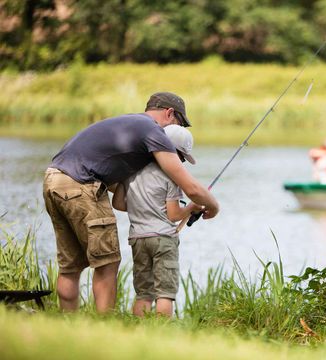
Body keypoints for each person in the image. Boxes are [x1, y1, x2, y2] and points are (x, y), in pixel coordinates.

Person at [42, 92, 219, 313]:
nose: (177, 130)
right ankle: (105, 329)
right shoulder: (154, 131)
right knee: (107, 263)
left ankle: (67, 322)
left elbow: (119, 188)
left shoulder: (128, 123)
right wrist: (213, 206)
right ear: (170, 113)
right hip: (82, 183)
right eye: (180, 123)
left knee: (70, 266)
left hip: (53, 178)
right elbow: (191, 187)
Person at [112, 124, 200, 317]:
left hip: (138, 239)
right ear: (174, 153)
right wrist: (192, 208)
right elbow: (174, 215)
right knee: (165, 294)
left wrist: (142, 206)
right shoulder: (172, 177)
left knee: (144, 294)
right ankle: (162, 334)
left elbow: (118, 204)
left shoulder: (132, 171)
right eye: (182, 158)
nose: (182, 163)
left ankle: (138, 332)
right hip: (163, 239)